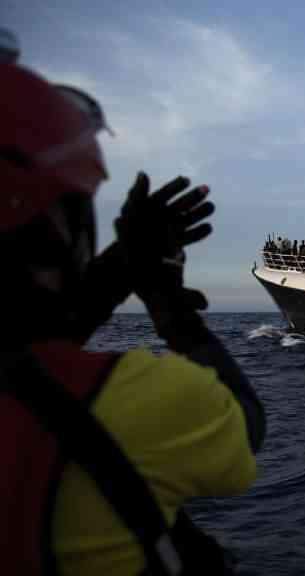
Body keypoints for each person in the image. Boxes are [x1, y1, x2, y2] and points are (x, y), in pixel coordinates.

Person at [0, 61, 265, 574]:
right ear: (64, 232)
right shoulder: (125, 402)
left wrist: (116, 269)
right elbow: (245, 429)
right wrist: (164, 297)